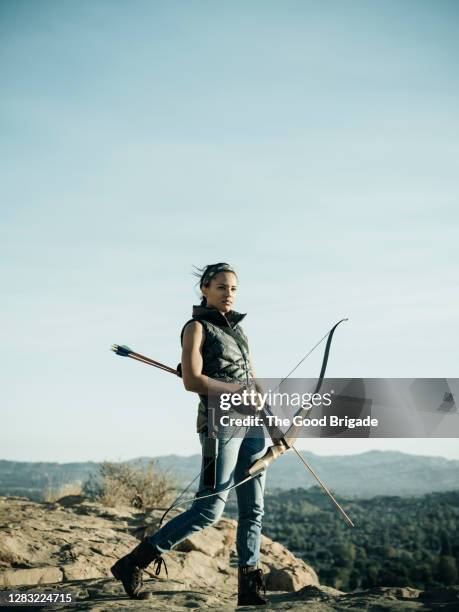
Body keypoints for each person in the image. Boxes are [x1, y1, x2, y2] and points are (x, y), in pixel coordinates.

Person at [111, 262, 268, 605]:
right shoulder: (196, 327)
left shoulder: (240, 330)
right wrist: (235, 391)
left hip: (253, 424)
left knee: (253, 509)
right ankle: (133, 563)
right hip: (220, 424)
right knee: (209, 509)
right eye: (222, 287)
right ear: (205, 290)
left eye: (234, 289)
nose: (230, 294)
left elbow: (252, 376)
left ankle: (250, 589)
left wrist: (266, 412)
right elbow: (192, 381)